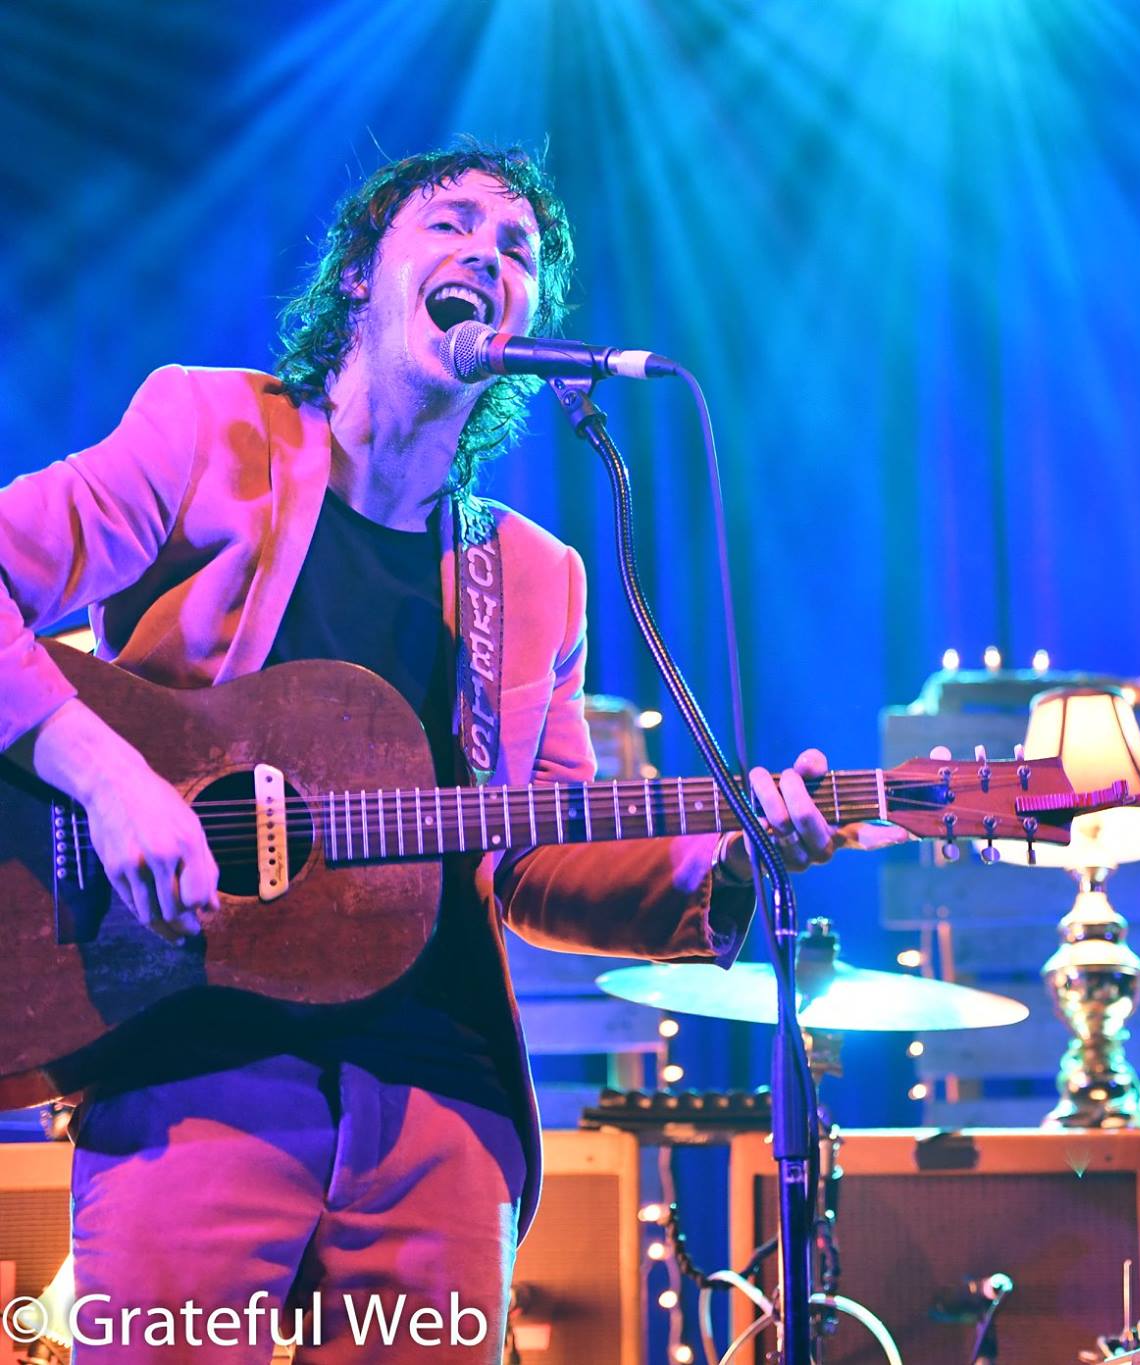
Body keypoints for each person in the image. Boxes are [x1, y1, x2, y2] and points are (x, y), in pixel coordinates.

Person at [0, 143, 865, 1363]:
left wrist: (729, 859)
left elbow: (534, 860)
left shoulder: (537, 579)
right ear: (361, 276)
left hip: (436, 1106)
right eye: (450, 225)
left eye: (517, 250)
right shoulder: (205, 433)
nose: (487, 255)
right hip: (191, 1066)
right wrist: (109, 776)